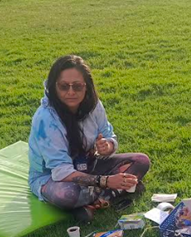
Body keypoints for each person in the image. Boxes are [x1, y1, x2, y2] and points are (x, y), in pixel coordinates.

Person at [28, 55, 150, 223]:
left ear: (86, 86)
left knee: (141, 161)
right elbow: (60, 171)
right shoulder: (45, 119)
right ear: (54, 86)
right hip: (51, 177)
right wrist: (106, 181)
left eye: (77, 86)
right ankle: (115, 192)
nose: (71, 92)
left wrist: (108, 146)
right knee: (66, 195)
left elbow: (108, 134)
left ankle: (95, 203)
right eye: (64, 86)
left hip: (90, 165)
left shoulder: (93, 105)